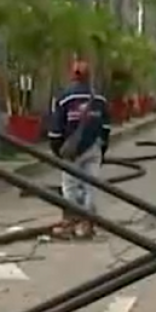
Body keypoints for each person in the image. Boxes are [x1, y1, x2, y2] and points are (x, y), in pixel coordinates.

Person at [47, 61, 111, 240]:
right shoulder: (99, 99)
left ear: (72, 75)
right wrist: (102, 149)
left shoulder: (65, 97)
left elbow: (56, 129)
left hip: (70, 151)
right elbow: (106, 127)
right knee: (91, 186)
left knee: (70, 187)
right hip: (94, 148)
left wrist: (57, 150)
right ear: (89, 76)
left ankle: (71, 223)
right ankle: (87, 224)